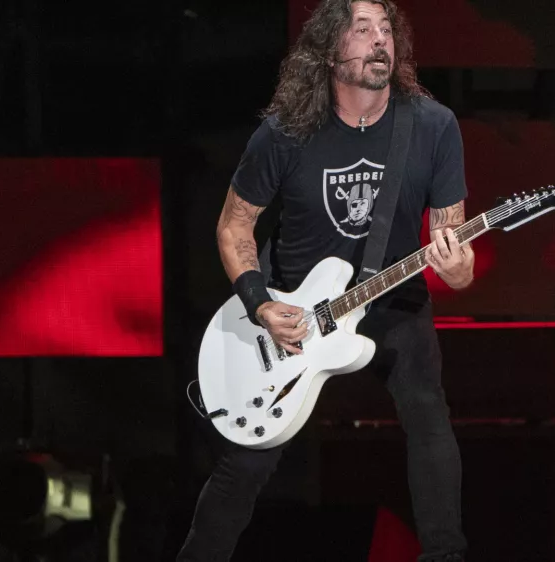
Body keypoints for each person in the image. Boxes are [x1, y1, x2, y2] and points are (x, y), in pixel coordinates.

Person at [177, 1, 473, 560]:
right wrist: (260, 305)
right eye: (362, 31)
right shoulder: (286, 133)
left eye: (386, 30)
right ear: (329, 49)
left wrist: (457, 267)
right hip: (292, 310)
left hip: (392, 298)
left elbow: (452, 244)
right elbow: (235, 224)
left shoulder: (433, 127)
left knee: (429, 414)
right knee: (245, 458)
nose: (378, 41)